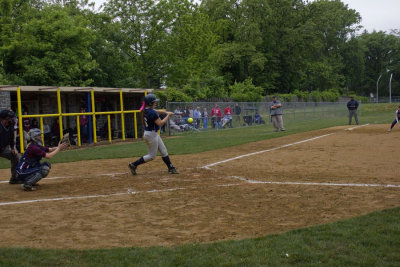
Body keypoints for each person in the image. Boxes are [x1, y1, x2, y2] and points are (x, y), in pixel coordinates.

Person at [128, 94, 179, 175]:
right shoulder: (152, 112)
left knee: (163, 150)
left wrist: (166, 112)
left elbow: (157, 111)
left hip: (152, 134)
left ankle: (171, 167)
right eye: (154, 102)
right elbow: (160, 123)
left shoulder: (146, 110)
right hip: (151, 135)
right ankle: (133, 164)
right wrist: (168, 115)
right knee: (152, 156)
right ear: (150, 103)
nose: (156, 103)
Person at [0, 110, 20, 184]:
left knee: (15, 156)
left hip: (3, 148)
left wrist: (12, 148)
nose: (12, 119)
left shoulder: (10, 125)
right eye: (9, 118)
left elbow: (11, 138)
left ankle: (14, 178)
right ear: (3, 119)